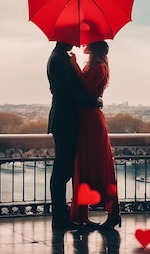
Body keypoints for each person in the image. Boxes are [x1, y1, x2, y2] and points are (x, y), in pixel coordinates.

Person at [47, 41, 103, 231]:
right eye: (72, 38)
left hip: (63, 119)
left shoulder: (59, 58)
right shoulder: (59, 60)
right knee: (63, 170)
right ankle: (60, 216)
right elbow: (69, 92)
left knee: (63, 169)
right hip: (65, 120)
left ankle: (61, 214)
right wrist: (94, 101)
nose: (77, 42)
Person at [69, 41, 121, 229]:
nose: (83, 44)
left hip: (91, 121)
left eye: (88, 43)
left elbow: (85, 87)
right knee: (92, 166)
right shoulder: (95, 66)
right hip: (87, 119)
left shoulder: (99, 67)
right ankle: (110, 212)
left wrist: (74, 66)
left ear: (94, 48)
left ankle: (109, 213)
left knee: (96, 167)